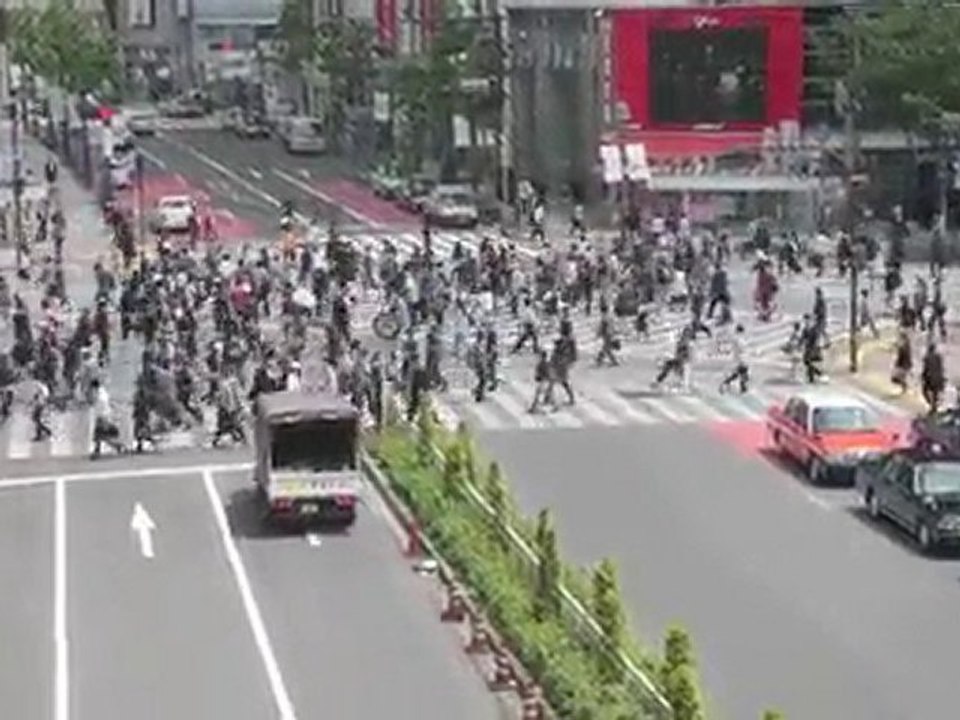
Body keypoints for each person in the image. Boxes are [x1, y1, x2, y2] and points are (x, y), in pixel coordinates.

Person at [719, 324, 749, 394]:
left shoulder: (736, 338)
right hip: (741, 359)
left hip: (739, 358)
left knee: (738, 374)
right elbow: (742, 348)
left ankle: (741, 387)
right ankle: (741, 387)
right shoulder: (739, 339)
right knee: (742, 374)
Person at [921, 341, 946, 414]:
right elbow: (941, 368)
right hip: (938, 378)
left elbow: (926, 369)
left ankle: (932, 405)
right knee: (935, 393)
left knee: (925, 391)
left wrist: (923, 377)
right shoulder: (939, 357)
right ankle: (934, 406)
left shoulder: (927, 357)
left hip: (930, 378)